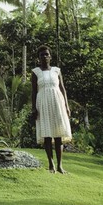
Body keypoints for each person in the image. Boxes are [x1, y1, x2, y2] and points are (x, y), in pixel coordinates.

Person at [31, 45, 72, 174]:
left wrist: (66, 106)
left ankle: (60, 165)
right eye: (41, 55)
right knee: (47, 135)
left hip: (57, 103)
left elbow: (63, 89)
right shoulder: (35, 72)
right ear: (38, 58)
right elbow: (33, 91)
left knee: (58, 134)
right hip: (43, 103)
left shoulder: (56, 71)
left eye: (46, 54)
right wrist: (34, 108)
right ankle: (51, 164)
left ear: (50, 56)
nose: (44, 56)